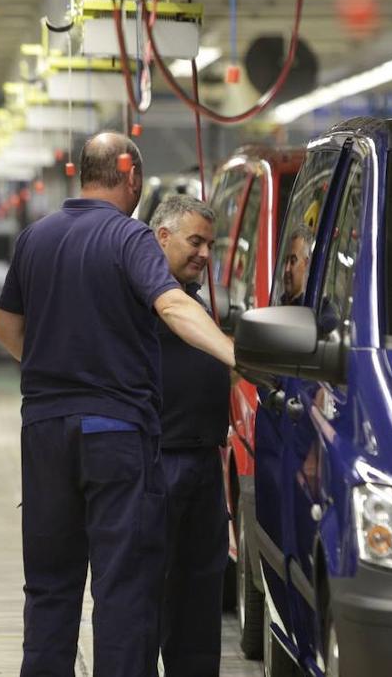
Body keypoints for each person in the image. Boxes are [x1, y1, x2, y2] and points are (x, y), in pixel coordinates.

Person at [0, 132, 235, 677]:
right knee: (123, 587)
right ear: (129, 175)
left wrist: (58, 368)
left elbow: (4, 326)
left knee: (50, 586)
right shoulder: (130, 238)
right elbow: (172, 303)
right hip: (115, 436)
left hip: (45, 432)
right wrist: (231, 352)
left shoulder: (35, 237)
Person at [148, 195, 231, 676]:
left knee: (200, 592)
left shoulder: (192, 296)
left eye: (209, 245)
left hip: (202, 460)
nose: (204, 253)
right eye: (194, 241)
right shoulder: (148, 292)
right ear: (163, 237)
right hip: (160, 460)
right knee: (149, 593)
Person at [280, 225, 314, 305]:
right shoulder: (277, 307)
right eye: (286, 260)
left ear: (306, 264)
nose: (286, 269)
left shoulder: (311, 311)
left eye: (292, 261)